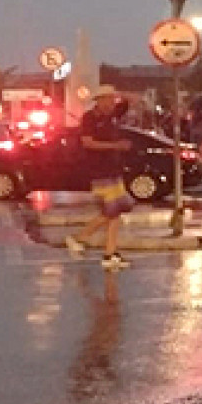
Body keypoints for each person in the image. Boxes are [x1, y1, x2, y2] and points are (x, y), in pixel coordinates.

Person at [67, 89, 135, 270]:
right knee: (111, 211)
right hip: (100, 170)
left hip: (114, 169)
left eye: (114, 99)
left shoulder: (111, 115)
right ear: (100, 100)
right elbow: (87, 142)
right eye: (109, 99)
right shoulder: (90, 118)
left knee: (118, 211)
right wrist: (115, 146)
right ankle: (79, 238)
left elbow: (126, 104)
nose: (112, 103)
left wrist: (124, 96)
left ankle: (110, 253)